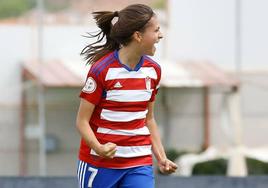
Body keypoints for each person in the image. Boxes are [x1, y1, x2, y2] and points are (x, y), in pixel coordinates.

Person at [76, 4, 178, 188]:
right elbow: (82, 121)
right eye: (156, 30)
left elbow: (149, 119)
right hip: (100, 165)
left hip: (139, 163)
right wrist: (99, 149)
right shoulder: (102, 70)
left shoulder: (153, 71)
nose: (160, 35)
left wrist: (161, 158)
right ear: (138, 36)